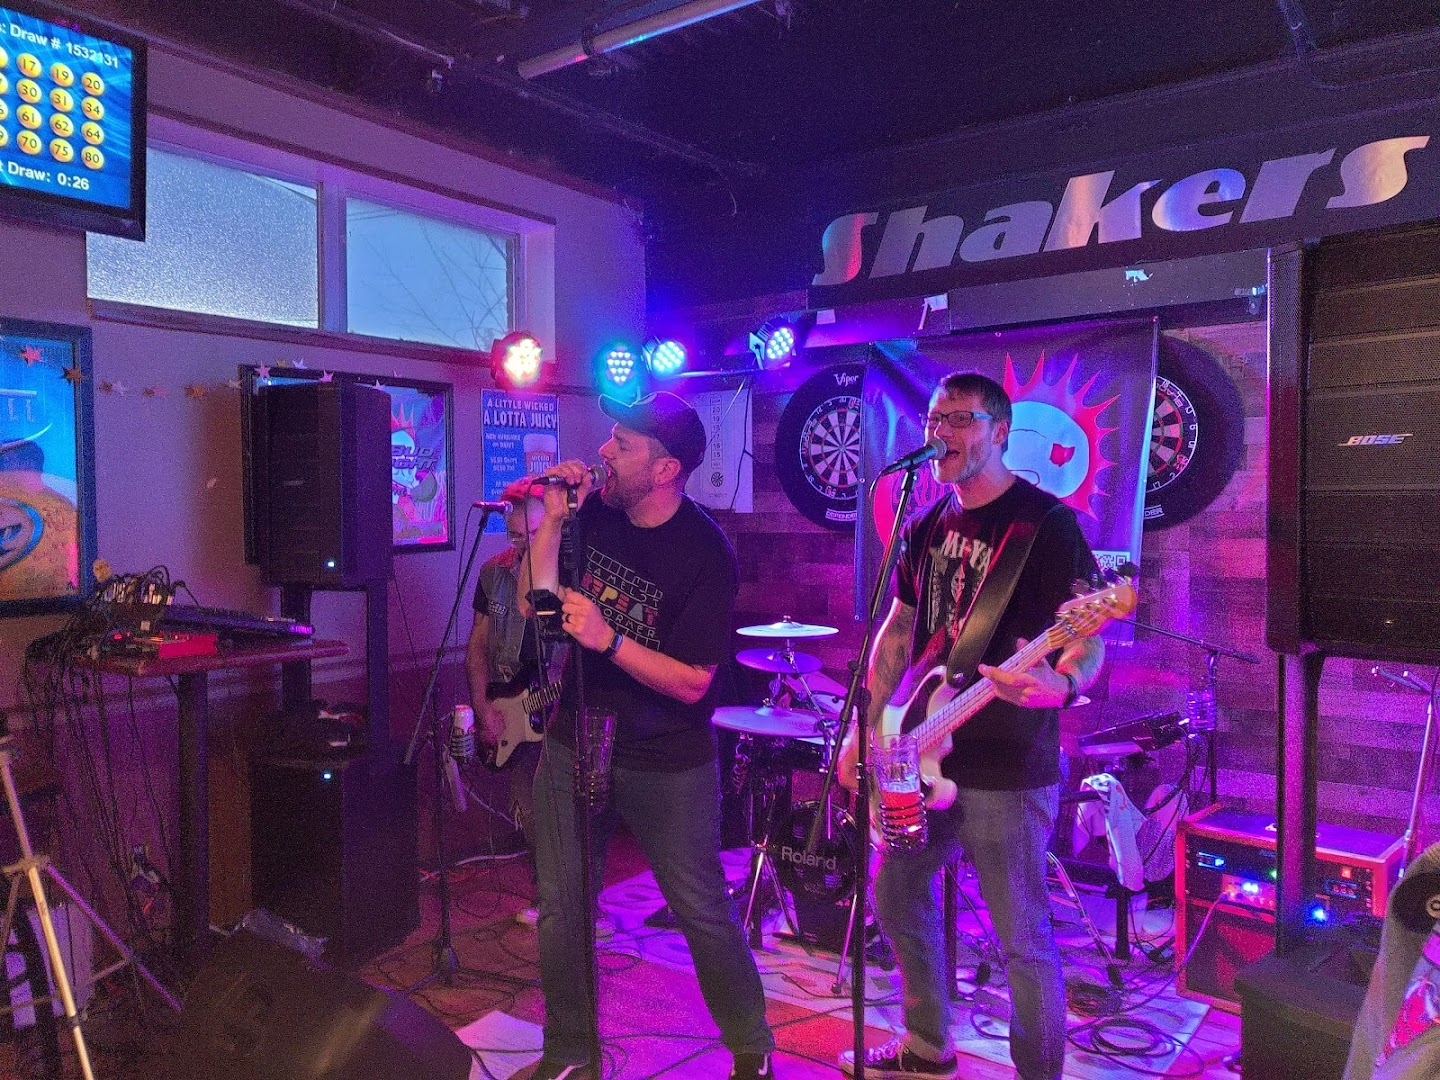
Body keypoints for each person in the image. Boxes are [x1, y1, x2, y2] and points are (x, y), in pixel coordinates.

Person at [839, 371, 1105, 1080]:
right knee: (895, 893)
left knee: (1022, 936)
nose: (942, 433)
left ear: (1001, 431)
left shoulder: (1046, 526)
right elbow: (899, 632)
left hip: (1005, 764)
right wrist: (865, 726)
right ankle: (928, 1044)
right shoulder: (926, 524)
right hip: (921, 747)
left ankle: (1037, 1071)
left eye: (961, 419)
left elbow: (1086, 634)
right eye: (935, 419)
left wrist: (1063, 682)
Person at [521, 391, 778, 1080]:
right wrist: (551, 522)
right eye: (610, 437)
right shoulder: (596, 515)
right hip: (576, 739)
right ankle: (570, 1053)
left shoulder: (705, 552)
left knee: (700, 910)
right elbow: (537, 607)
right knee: (561, 910)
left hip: (667, 760)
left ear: (665, 470)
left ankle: (751, 1048)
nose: (604, 451)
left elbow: (694, 682)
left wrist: (609, 641)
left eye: (623, 444)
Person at [465, 477, 556, 851]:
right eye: (516, 536)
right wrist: (482, 706)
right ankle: (544, 883)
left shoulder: (568, 573)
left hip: (559, 711)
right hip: (515, 706)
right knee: (529, 808)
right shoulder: (493, 572)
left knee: (563, 812)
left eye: (534, 533)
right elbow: (477, 644)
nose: (525, 544)